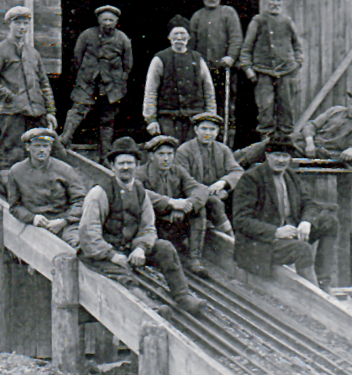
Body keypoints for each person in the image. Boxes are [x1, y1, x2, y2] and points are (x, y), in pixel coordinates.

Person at [78, 137, 206, 315]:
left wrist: (140, 247)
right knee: (122, 275)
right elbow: (88, 234)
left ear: (137, 165)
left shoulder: (140, 192)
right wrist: (111, 255)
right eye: (121, 163)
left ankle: (183, 297)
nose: (125, 167)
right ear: (112, 166)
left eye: (130, 163)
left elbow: (148, 226)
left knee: (165, 248)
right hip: (102, 253)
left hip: (129, 248)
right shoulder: (100, 193)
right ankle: (149, 308)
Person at [232, 137, 338, 294]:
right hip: (262, 243)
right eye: (276, 155)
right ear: (267, 156)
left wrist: (306, 221)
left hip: (288, 235)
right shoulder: (251, 178)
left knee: (330, 222)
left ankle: (323, 283)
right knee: (303, 249)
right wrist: (275, 231)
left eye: (285, 156)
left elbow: (310, 204)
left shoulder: (290, 176)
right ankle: (315, 297)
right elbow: (241, 221)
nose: (280, 160)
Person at [0, 6, 60, 167]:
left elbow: (44, 84)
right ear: (9, 24)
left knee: (39, 155)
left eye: (26, 23)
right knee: (14, 155)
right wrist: (9, 96)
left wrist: (50, 111)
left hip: (37, 113)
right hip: (13, 114)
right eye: (18, 23)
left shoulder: (33, 53)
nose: (22, 27)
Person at [235, 87, 352, 169]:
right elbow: (311, 125)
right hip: (305, 144)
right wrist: (309, 142)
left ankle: (237, 165)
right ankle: (235, 160)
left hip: (316, 155)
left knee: (273, 145)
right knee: (271, 142)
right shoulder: (336, 111)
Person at [62, 5, 133, 159]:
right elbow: (77, 57)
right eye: (104, 19)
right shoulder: (87, 35)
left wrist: (118, 79)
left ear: (116, 22)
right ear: (99, 20)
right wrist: (86, 73)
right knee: (78, 109)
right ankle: (64, 140)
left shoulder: (123, 39)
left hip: (112, 84)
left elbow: (128, 64)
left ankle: (105, 155)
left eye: (111, 20)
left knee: (107, 118)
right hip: (88, 81)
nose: (107, 23)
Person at [137, 135, 211, 278]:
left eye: (170, 154)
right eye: (161, 154)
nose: (166, 158)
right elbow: (140, 194)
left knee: (199, 210)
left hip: (175, 222)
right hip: (154, 225)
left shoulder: (177, 171)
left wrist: (185, 207)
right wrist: (171, 203)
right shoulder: (140, 174)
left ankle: (193, 258)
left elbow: (200, 189)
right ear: (151, 156)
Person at [238, 0, 303, 141]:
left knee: (286, 109)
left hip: (286, 72)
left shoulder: (287, 22)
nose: (275, 3)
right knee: (265, 109)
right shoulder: (258, 21)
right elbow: (246, 48)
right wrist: (248, 69)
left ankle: (285, 146)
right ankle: (266, 144)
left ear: (282, 3)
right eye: (272, 0)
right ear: (266, 1)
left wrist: (298, 62)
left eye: (278, 0)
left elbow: (297, 45)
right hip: (263, 72)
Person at [6, 127, 89, 247]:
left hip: (64, 222)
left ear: (50, 147)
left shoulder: (64, 169)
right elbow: (14, 206)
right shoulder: (16, 171)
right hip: (34, 224)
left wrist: (64, 221)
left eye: (45, 146)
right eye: (37, 146)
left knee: (75, 245)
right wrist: (32, 218)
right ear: (28, 147)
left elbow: (80, 200)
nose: (42, 150)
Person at [143, 15, 216, 144]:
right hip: (167, 117)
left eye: (183, 34)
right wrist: (151, 119)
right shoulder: (160, 59)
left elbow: (208, 89)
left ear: (188, 37)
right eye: (175, 34)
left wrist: (211, 117)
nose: (179, 38)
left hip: (195, 116)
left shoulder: (197, 59)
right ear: (169, 37)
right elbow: (151, 90)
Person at [190, 0, 243, 146]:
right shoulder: (197, 16)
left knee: (226, 107)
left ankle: (226, 144)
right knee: (204, 104)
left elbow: (236, 38)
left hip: (224, 68)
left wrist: (231, 57)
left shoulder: (228, 13)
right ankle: (204, 142)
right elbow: (191, 43)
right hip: (204, 69)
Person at [174, 112, 242, 235]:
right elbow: (184, 180)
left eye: (212, 129)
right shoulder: (184, 151)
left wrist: (223, 183)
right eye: (204, 129)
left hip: (219, 194)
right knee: (214, 202)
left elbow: (237, 171)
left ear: (217, 132)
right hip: (195, 197)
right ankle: (230, 236)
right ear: (196, 130)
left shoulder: (223, 150)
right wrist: (209, 192)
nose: (208, 133)